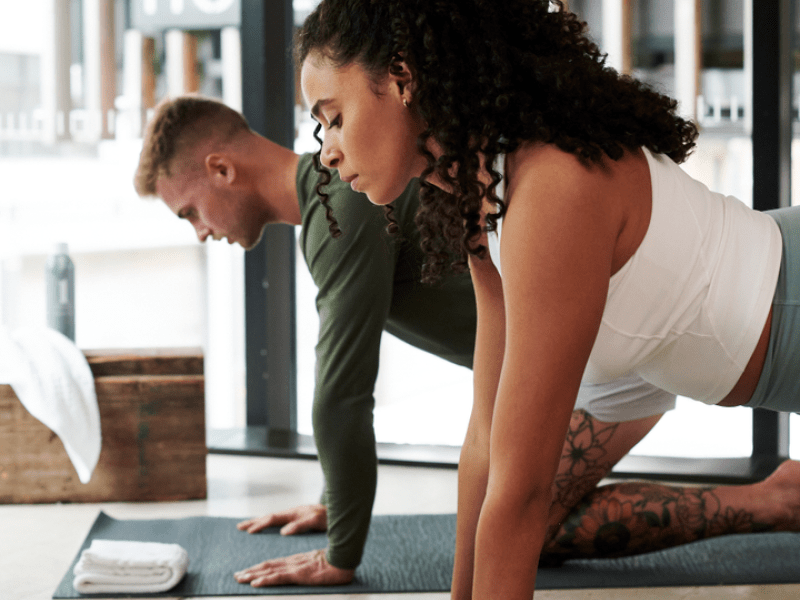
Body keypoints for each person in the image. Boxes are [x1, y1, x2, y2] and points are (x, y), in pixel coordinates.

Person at [134, 95, 799, 592]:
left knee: (514, 517)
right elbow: (469, 403)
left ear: (220, 168)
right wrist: (339, 503)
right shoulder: (348, 203)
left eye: (188, 211)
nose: (198, 231)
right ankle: (777, 499)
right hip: (608, 356)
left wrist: (343, 550)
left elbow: (340, 394)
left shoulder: (341, 209)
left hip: (621, 334)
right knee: (519, 527)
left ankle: (773, 499)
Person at [295, 1, 800, 598]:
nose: (326, 150)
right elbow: (486, 438)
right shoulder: (483, 200)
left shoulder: (551, 188)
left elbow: (521, 489)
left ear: (403, 81)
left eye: (335, 117)